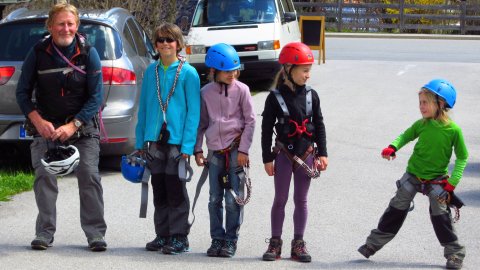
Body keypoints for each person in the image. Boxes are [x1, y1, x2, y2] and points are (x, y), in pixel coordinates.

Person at [15, 3, 107, 251]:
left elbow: (96, 97)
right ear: (50, 26)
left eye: (70, 23)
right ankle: (44, 233)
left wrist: (73, 124)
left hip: (82, 126)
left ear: (77, 26)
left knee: (89, 175)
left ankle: (95, 235)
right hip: (46, 126)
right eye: (60, 23)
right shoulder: (38, 52)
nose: (65, 28)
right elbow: (22, 93)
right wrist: (38, 121)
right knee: (44, 177)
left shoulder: (89, 52)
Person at [357, 79, 468, 270]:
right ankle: (372, 244)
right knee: (395, 208)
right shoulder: (422, 124)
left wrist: (453, 182)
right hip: (413, 174)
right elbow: (405, 135)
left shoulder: (453, 131)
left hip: (438, 180)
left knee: (440, 216)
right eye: (420, 102)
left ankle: (455, 254)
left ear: (440, 104)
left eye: (426, 102)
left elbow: (462, 157)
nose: (421, 106)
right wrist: (393, 147)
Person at [135, 22, 200, 255]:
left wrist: (189, 145)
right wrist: (140, 141)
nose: (165, 44)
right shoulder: (150, 71)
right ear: (155, 44)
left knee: (175, 189)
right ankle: (162, 235)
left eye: (169, 40)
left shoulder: (189, 73)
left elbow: (194, 113)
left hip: (177, 142)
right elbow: (143, 108)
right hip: (154, 141)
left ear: (178, 44)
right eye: (160, 40)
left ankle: (180, 237)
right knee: (159, 187)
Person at [260, 42, 328, 263]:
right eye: (305, 70)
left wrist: (323, 153)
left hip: (306, 154)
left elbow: (319, 124)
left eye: (310, 70)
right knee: (280, 199)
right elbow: (266, 129)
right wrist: (267, 158)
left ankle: (298, 243)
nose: (308, 75)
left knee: (302, 199)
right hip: (283, 155)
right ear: (288, 68)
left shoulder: (311, 96)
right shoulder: (274, 97)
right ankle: (275, 242)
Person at [194, 43, 256, 258]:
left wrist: (244, 150)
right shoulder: (205, 93)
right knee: (214, 198)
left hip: (235, 150)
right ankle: (216, 239)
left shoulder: (243, 90)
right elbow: (201, 123)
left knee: (233, 199)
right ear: (214, 70)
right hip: (214, 153)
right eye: (228, 70)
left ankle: (230, 240)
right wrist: (197, 150)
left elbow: (250, 121)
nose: (233, 74)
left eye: (235, 70)